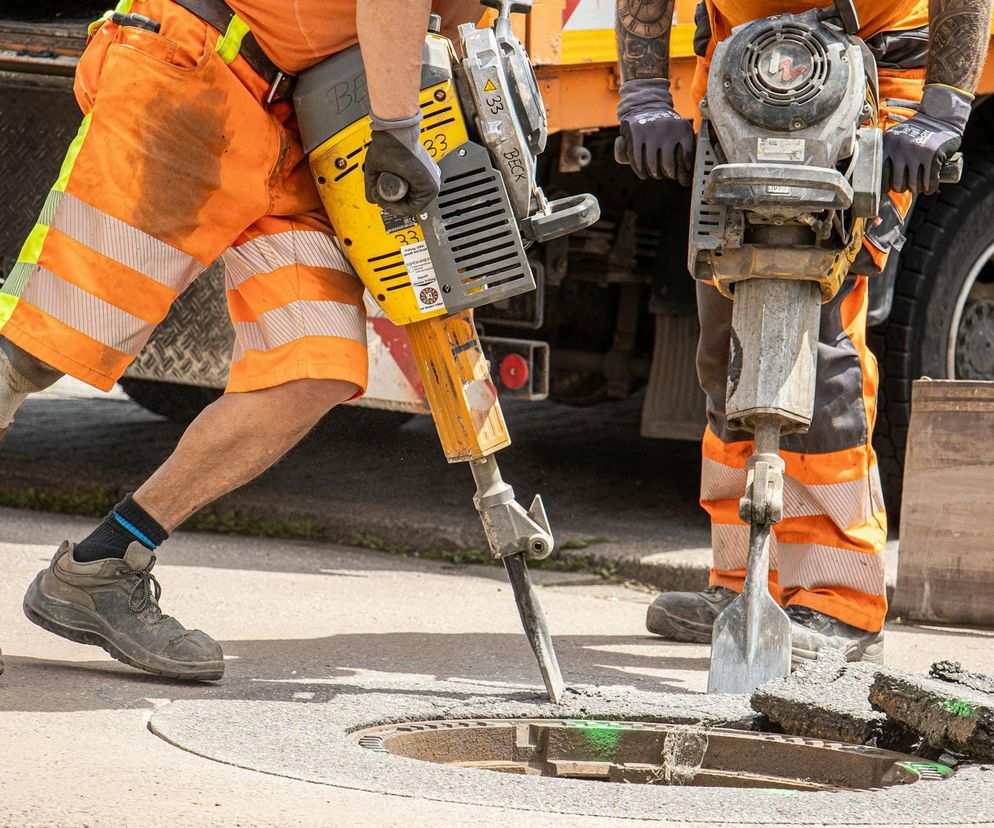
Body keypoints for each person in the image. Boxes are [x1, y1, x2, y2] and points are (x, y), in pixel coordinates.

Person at [0, 0, 480, 679]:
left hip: (297, 119)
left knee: (311, 367)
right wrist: (400, 125)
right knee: (32, 350)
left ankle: (104, 567)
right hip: (193, 72)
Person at [614, 0, 991, 662]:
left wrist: (941, 113)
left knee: (818, 331)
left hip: (872, 64)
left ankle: (839, 600)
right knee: (725, 331)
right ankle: (743, 582)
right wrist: (644, 94)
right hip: (744, 62)